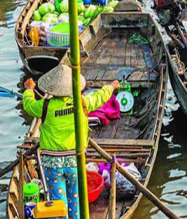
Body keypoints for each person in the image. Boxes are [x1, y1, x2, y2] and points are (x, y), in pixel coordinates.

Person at [23, 65, 119, 219]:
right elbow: (101, 95)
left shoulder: (45, 105)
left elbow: (28, 104)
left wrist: (29, 89)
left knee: (59, 203)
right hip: (75, 161)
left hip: (52, 164)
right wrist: (112, 85)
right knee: (75, 199)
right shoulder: (82, 103)